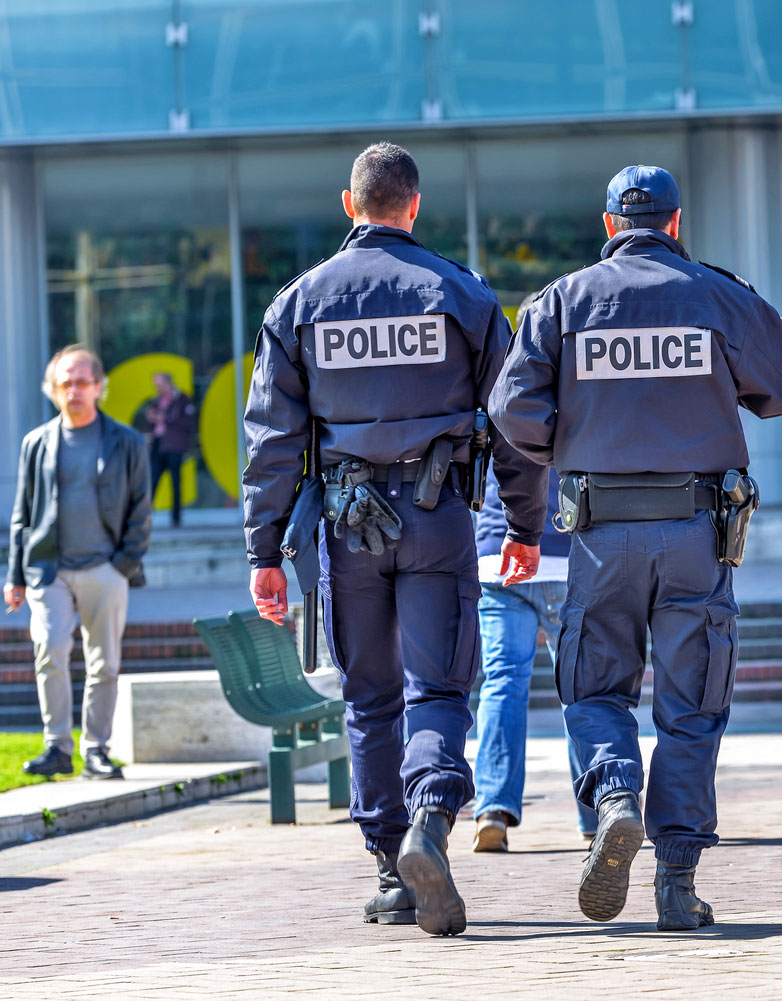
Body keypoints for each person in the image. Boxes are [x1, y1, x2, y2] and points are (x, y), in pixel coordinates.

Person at [241, 142, 546, 937]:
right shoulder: (463, 294)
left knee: (370, 696)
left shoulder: (298, 303)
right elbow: (515, 425)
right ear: (414, 205)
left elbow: (271, 440)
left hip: (347, 526)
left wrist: (263, 551)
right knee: (437, 688)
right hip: (440, 513)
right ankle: (430, 822)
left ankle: (391, 870)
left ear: (351, 205)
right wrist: (523, 523)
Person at [493, 164, 782, 930]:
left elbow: (510, 407)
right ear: (674, 222)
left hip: (598, 533)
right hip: (697, 529)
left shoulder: (562, 301)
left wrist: (571, 440)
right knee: (692, 705)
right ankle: (676, 881)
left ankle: (614, 794)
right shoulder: (716, 294)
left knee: (595, 688)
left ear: (608, 226)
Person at [6, 345, 152, 781]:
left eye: (82, 382)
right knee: (49, 648)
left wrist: (122, 564)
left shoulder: (126, 441)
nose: (74, 390)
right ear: (54, 390)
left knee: (103, 662)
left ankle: (96, 750)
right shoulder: (37, 443)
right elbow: (23, 515)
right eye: (65, 383)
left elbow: (141, 510)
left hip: (105, 568)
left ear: (99, 387)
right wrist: (15, 576)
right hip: (49, 571)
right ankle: (56, 747)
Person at [472, 465, 598, 851]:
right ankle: (597, 812)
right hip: (568, 553)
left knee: (502, 684)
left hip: (500, 554)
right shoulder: (581, 401)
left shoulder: (494, 401)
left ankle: (493, 810)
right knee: (580, 688)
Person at [142, 372, 196, 527]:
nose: (157, 388)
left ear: (168, 383)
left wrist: (163, 418)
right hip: (158, 444)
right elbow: (153, 422)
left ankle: (176, 518)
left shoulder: (182, 399)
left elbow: (186, 423)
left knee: (176, 483)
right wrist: (152, 417)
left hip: (174, 446)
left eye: (159, 385)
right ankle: (144, 518)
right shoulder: (156, 400)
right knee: (152, 481)